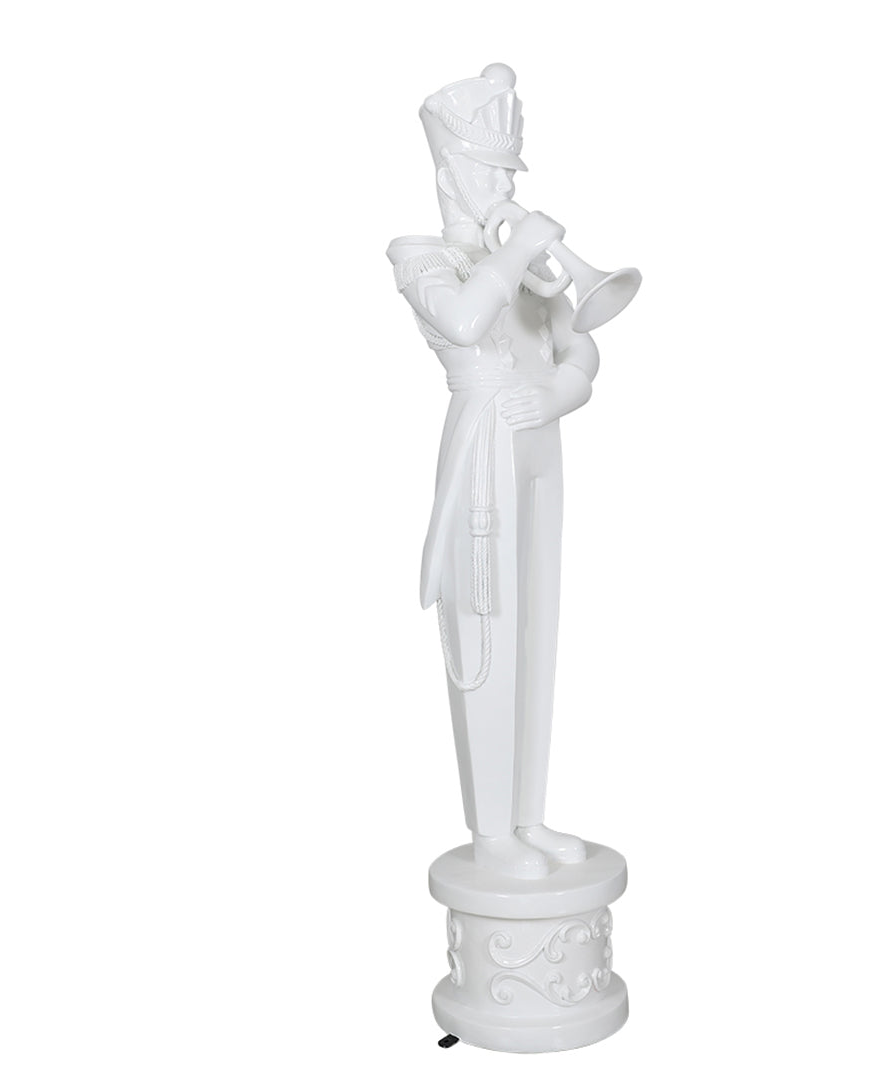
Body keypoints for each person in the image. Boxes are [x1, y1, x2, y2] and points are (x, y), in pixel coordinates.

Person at [387, 64, 599, 879]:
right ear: (449, 171)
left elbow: (579, 341)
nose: (505, 186)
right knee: (489, 625)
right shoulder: (424, 258)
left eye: (510, 171)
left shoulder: (521, 264)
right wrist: (519, 252)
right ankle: (491, 834)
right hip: (482, 444)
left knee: (538, 623)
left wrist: (564, 389)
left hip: (539, 439)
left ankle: (529, 816)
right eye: (490, 170)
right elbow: (465, 318)